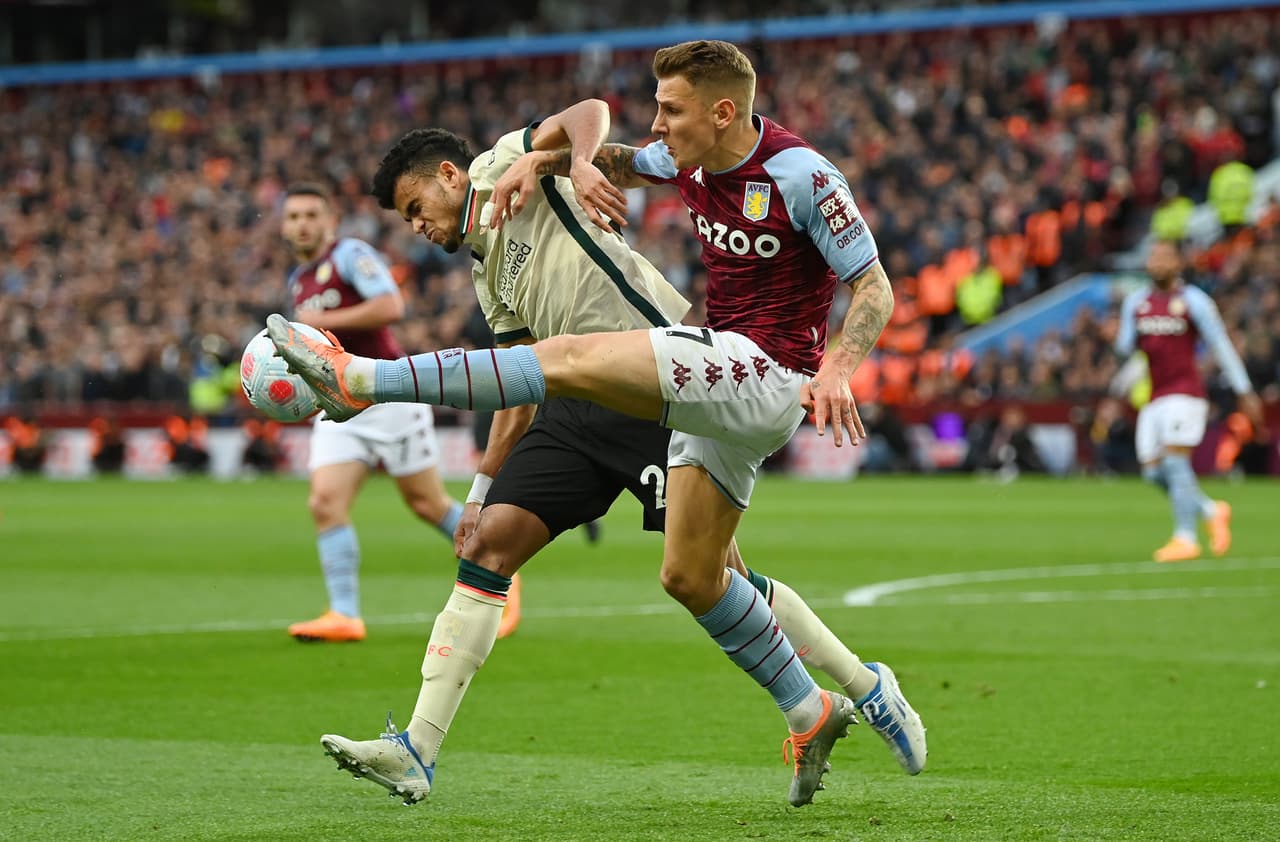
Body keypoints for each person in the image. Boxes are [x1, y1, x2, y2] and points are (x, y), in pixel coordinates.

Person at [270, 40, 925, 806]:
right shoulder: (552, 235)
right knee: (687, 575)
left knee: (582, 375)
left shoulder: (801, 174)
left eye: (671, 110)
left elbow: (873, 286)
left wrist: (838, 369)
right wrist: (479, 488)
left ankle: (361, 379)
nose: (660, 123)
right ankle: (840, 700)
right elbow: (617, 156)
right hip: (619, 391)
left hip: (713, 371)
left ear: (721, 110)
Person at [277, 183, 476, 642]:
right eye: (293, 217)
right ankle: (344, 615)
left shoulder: (349, 256)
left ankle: (496, 565)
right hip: (336, 405)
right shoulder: (299, 279)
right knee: (325, 502)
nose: (302, 224)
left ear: (329, 220)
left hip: (385, 396)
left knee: (425, 504)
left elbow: (391, 305)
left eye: (311, 214)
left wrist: (317, 325)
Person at [1114, 239, 1264, 562]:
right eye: (1154, 256)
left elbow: (1220, 344)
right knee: (1153, 473)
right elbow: (1127, 348)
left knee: (1174, 461)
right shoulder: (1136, 304)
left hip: (1186, 394)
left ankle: (1185, 537)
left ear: (1178, 264)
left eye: (1165, 257)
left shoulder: (1194, 301)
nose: (1158, 262)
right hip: (1154, 396)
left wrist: (1244, 390)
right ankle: (1211, 510)